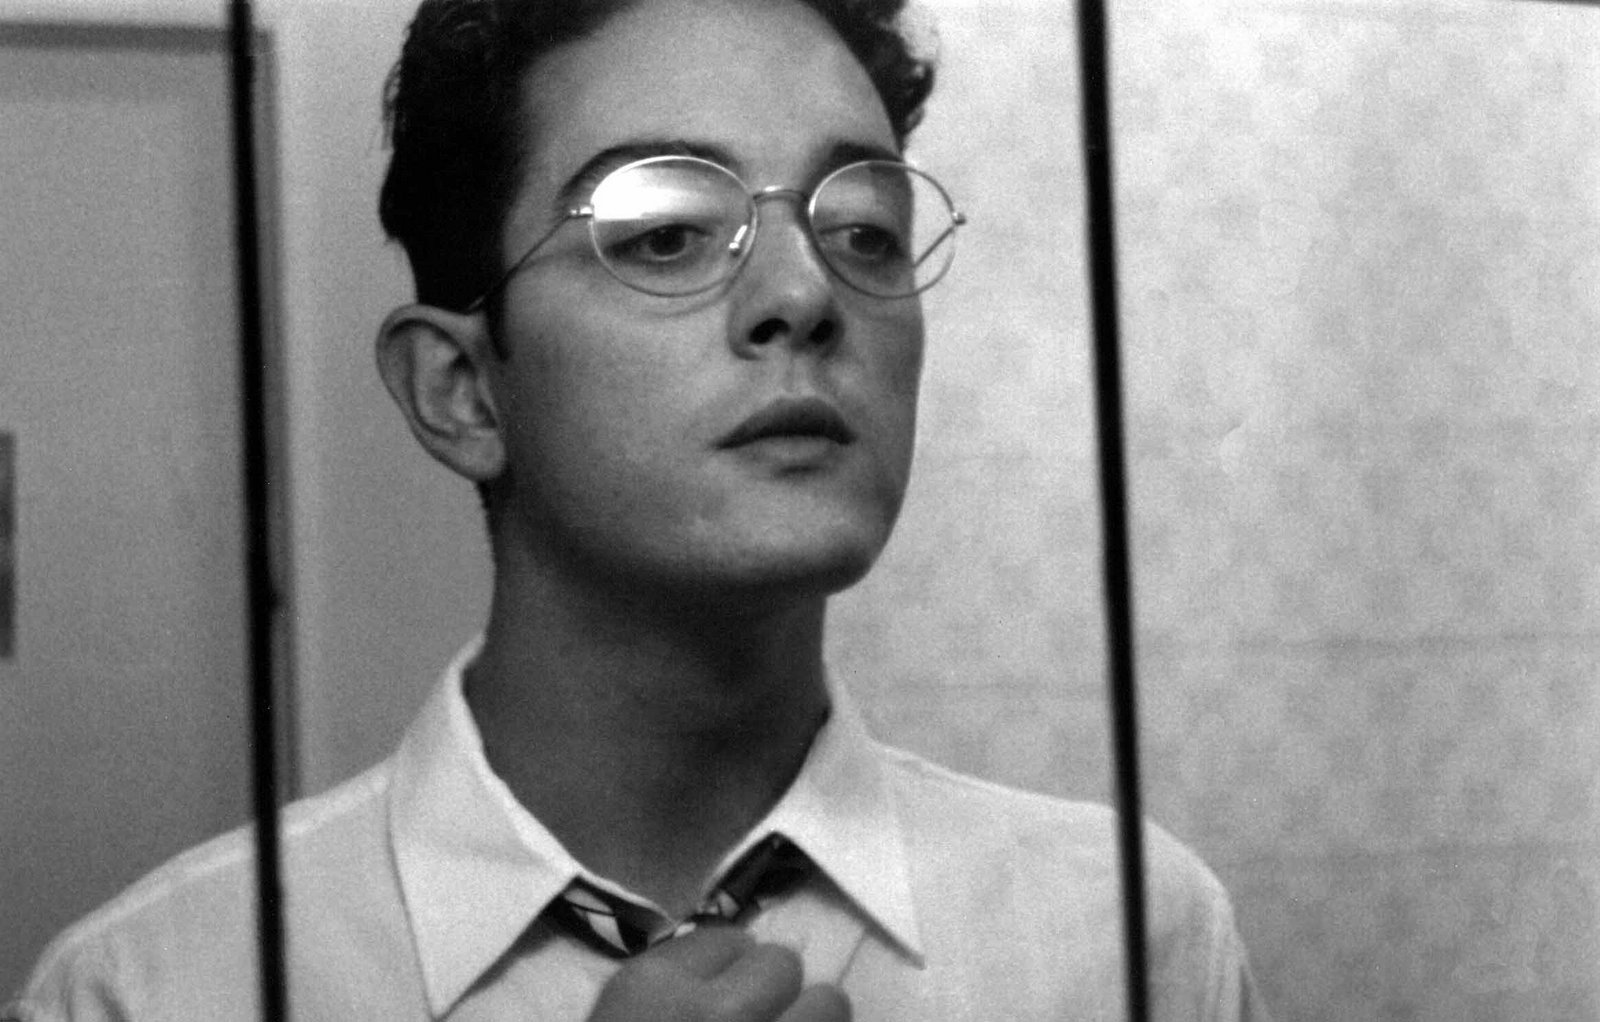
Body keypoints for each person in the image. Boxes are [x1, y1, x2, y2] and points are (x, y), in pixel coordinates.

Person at [6, 0, 1270, 1019]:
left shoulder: (1128, 941)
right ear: (461, 390)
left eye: (864, 230)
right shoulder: (158, 987)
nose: (805, 293)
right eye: (663, 232)